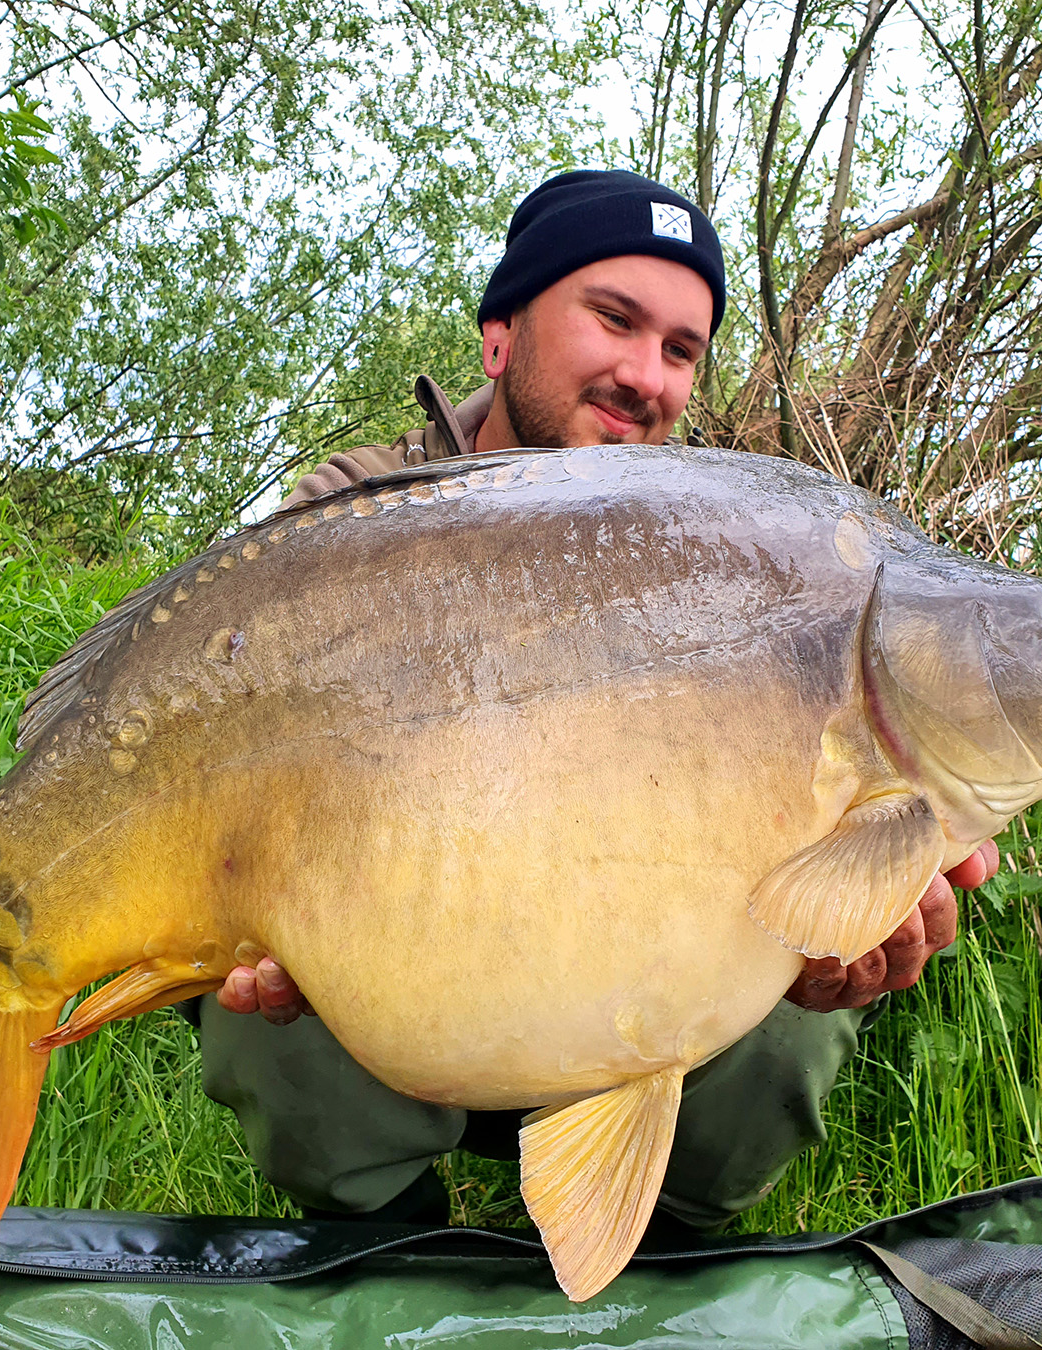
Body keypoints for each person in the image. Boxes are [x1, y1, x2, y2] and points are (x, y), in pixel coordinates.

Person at [189, 169, 999, 1228]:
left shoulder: (729, 548)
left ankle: (652, 1266)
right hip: (402, 987)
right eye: (613, 320)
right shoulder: (352, 516)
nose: (644, 377)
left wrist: (840, 904)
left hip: (629, 975)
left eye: (680, 351)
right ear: (501, 333)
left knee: (808, 980)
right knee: (255, 975)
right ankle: (385, 1250)